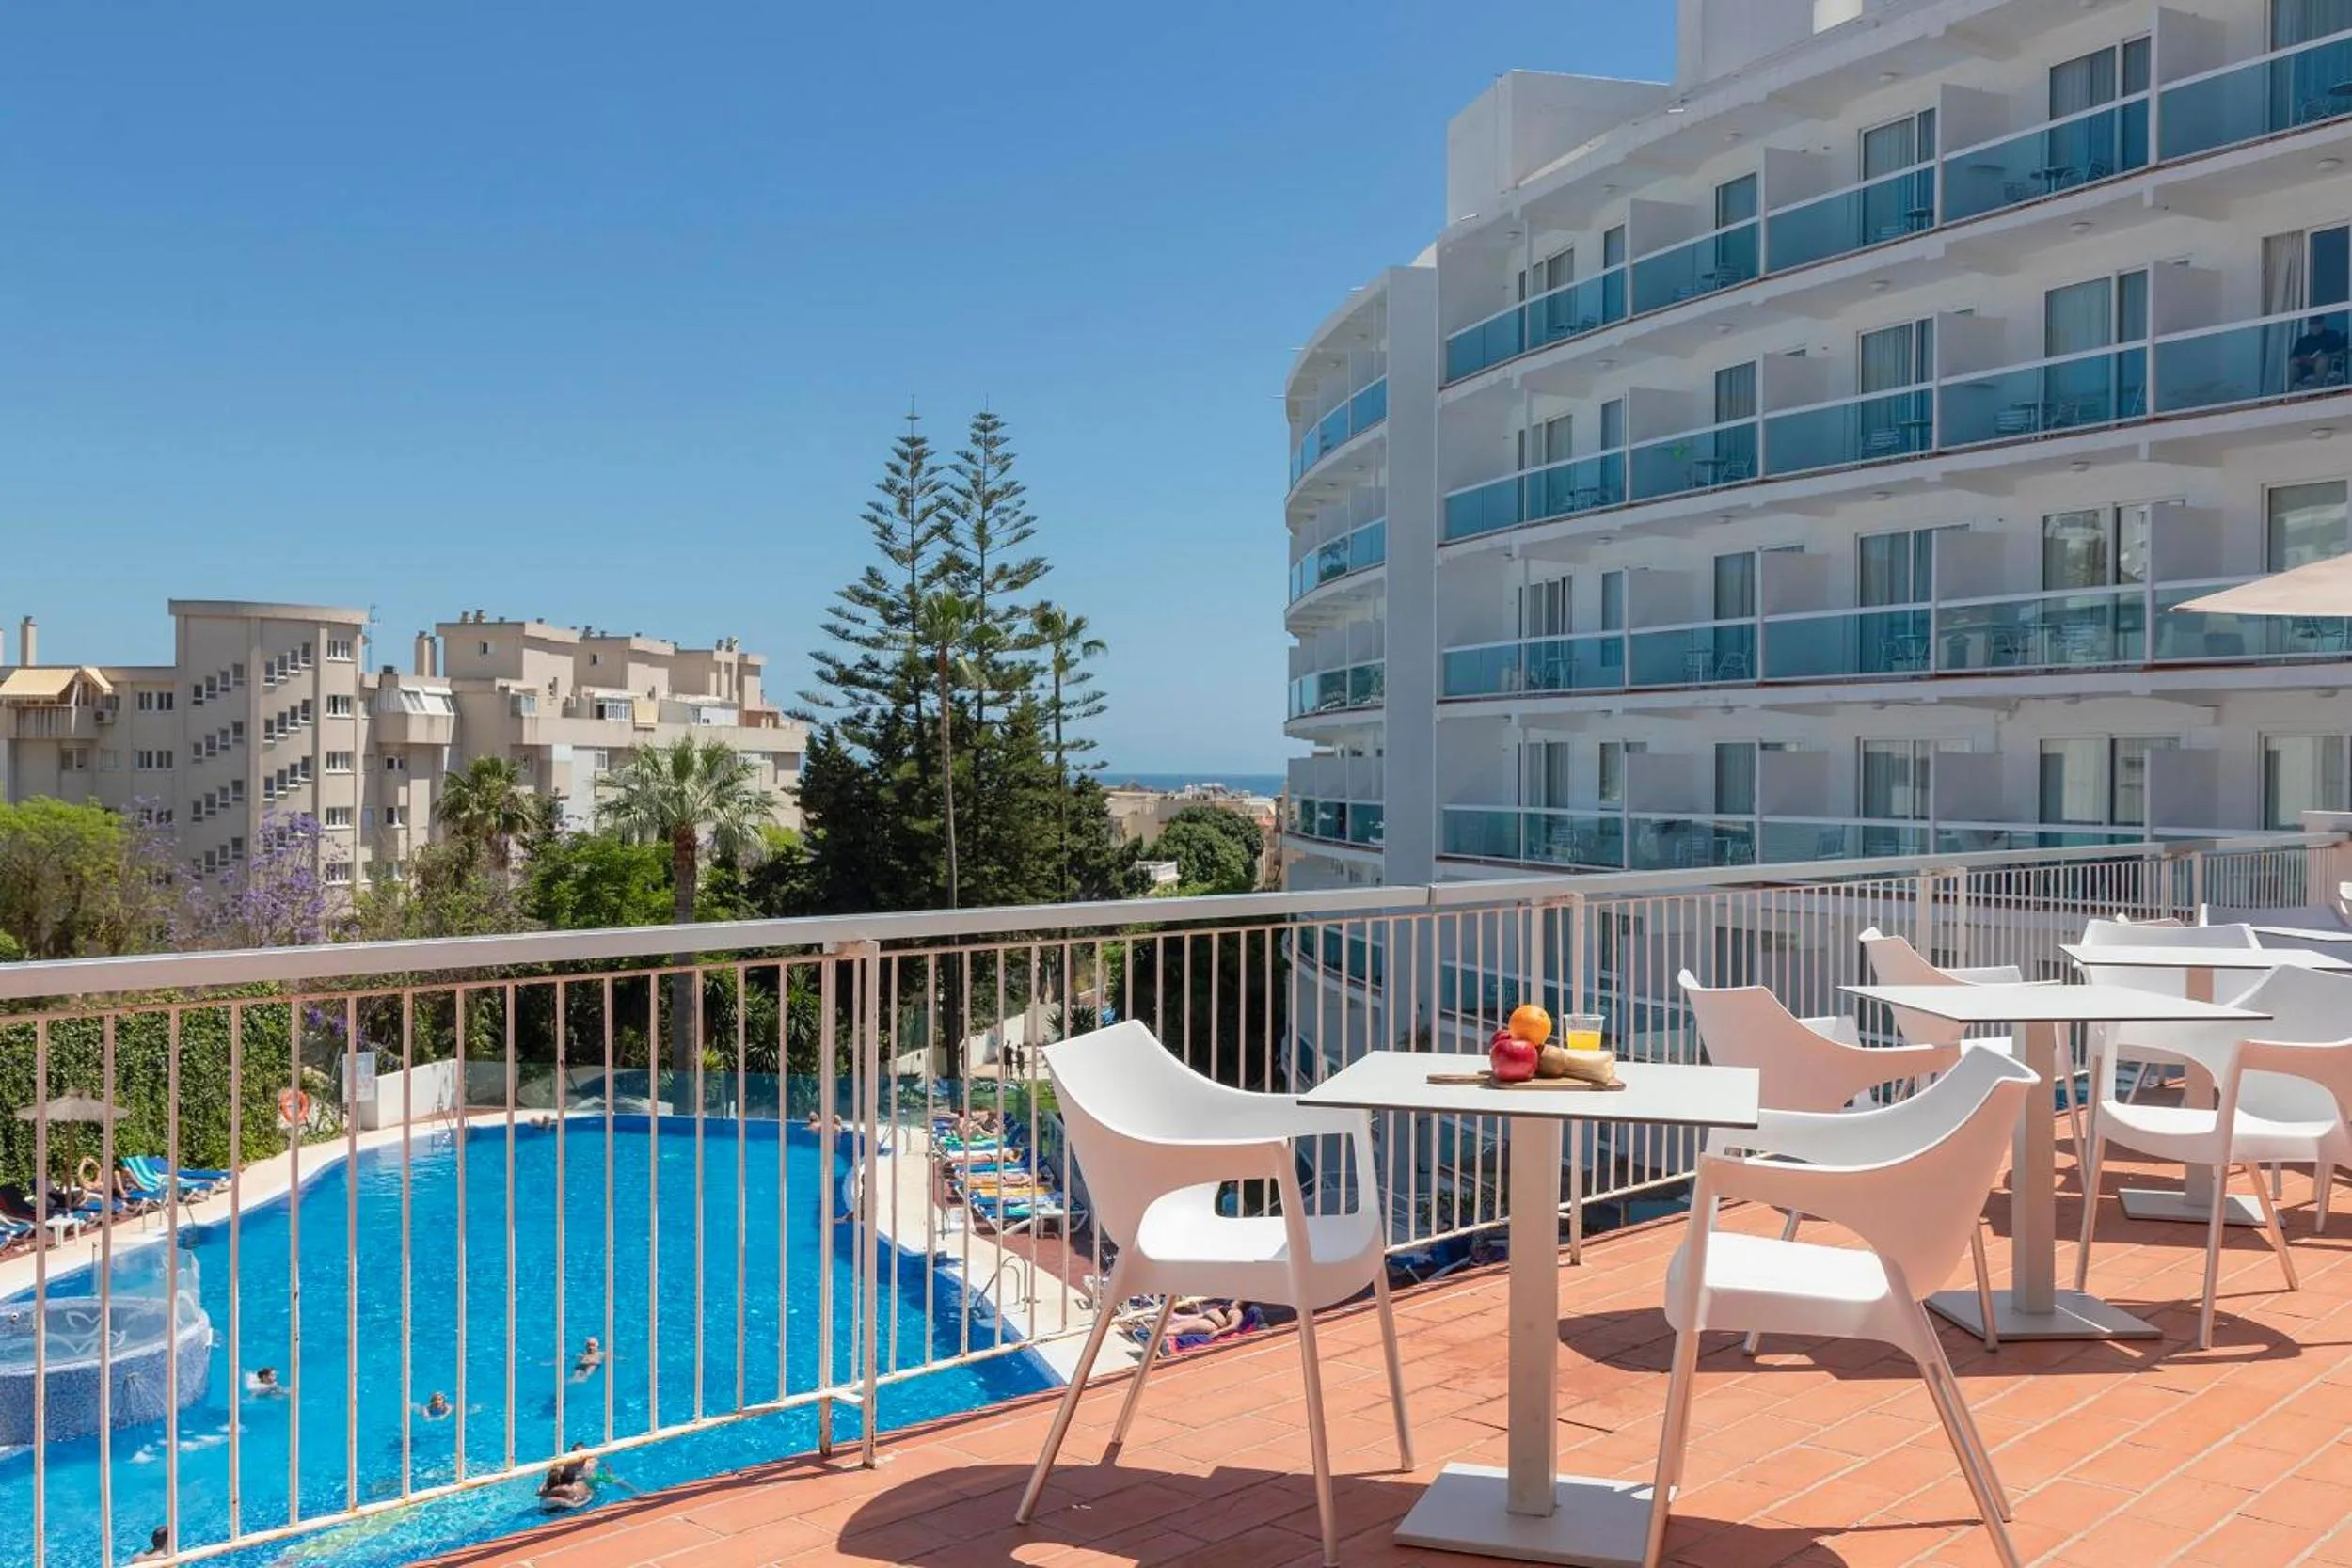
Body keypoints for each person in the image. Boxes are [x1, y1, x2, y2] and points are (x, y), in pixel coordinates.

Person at [2292, 315, 2349, 388]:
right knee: (2292, 364)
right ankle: (2287, 392)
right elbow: (2294, 357)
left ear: (2323, 323)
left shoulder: (2333, 335)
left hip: (2329, 368)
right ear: (2308, 325)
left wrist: (2325, 355)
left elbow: (2341, 352)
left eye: (2318, 322)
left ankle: (2317, 388)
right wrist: (2301, 359)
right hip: (2306, 371)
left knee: (2322, 359)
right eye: (2312, 323)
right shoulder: (2302, 341)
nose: (2315, 326)